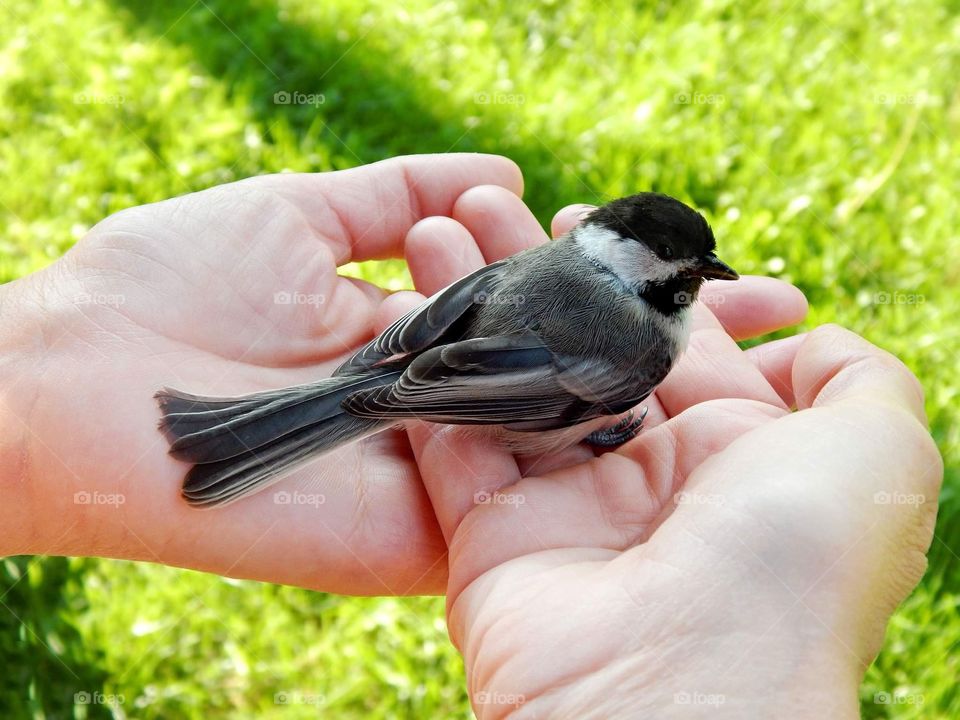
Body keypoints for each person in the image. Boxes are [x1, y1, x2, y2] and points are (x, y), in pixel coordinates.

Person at [0, 154, 941, 716]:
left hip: (430, 337)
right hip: (463, 382)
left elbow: (467, 301)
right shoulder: (645, 346)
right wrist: (413, 397)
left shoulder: (558, 273)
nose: (701, 283)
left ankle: (245, 430)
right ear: (654, 280)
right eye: (691, 275)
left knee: (418, 400)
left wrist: (395, 375)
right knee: (589, 423)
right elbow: (535, 398)